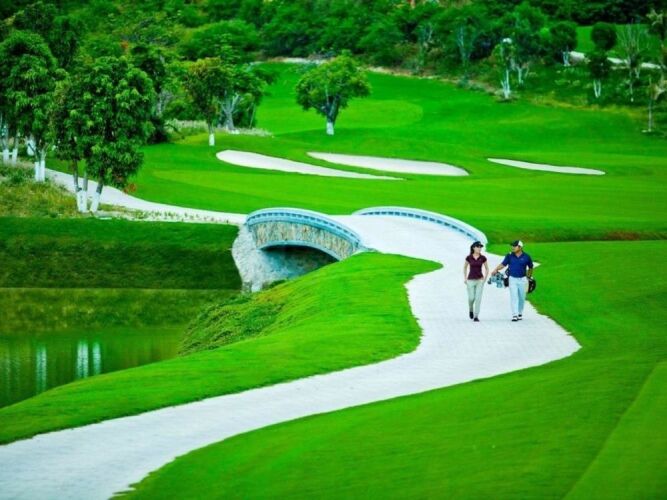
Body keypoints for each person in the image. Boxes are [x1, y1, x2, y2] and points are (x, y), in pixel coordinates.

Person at [491, 240, 534, 322]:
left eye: (515, 246)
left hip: (523, 279)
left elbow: (531, 267)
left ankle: (520, 313)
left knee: (522, 298)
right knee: (514, 297)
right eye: (512, 246)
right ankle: (514, 314)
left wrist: (528, 277)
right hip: (512, 279)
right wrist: (496, 269)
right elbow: (503, 264)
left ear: (520, 247)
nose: (513, 247)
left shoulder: (526, 257)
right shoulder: (509, 255)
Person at [463, 241, 489, 322]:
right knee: (471, 298)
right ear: (474, 248)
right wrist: (465, 278)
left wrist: (484, 279)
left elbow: (487, 269)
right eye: (478, 247)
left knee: (478, 298)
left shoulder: (483, 258)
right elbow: (465, 267)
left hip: (480, 280)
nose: (479, 248)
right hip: (470, 280)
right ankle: (471, 309)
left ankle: (476, 316)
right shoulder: (469, 257)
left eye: (480, 247)